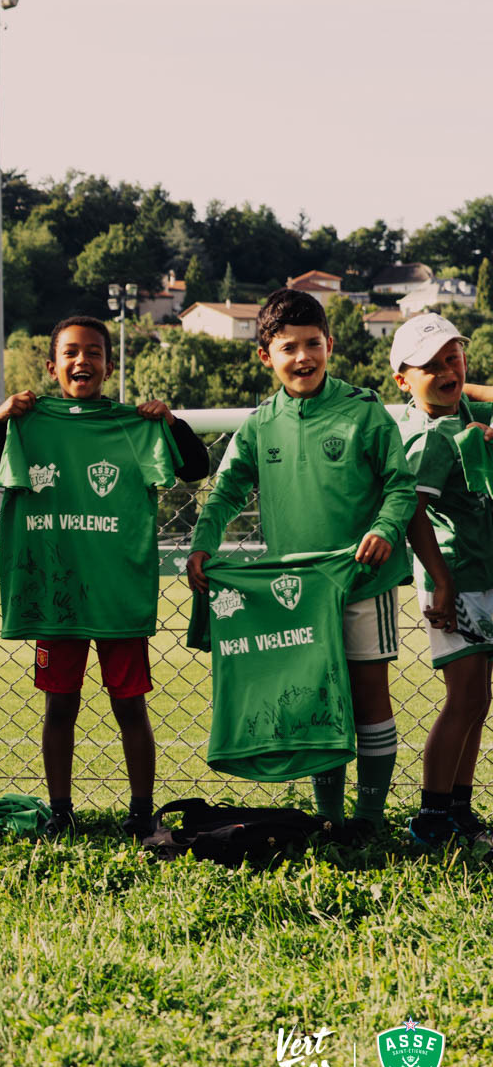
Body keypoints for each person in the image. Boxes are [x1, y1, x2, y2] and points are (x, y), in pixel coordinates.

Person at [188, 288, 451, 833]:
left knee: (367, 697)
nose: (303, 357)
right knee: (317, 704)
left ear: (329, 345)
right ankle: (330, 818)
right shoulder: (261, 424)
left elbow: (401, 489)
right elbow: (225, 491)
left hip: (361, 582)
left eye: (313, 344)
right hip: (297, 595)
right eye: (289, 348)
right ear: (266, 356)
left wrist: (383, 528)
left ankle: (369, 820)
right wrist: (202, 542)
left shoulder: (363, 411)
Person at [0, 316, 211, 838]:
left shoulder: (133, 424)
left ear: (109, 365)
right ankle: (61, 811)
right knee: (59, 705)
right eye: (71, 352)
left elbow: (196, 468)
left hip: (116, 591)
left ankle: (142, 812)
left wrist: (171, 422)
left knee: (130, 706)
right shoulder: (25, 423)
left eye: (94, 352)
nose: (82, 361)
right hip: (56, 592)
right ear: (52, 367)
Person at [389, 313, 493, 847]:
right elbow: (412, 513)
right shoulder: (429, 436)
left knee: (480, 698)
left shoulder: (469, 412)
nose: (448, 370)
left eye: (454, 357)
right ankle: (432, 816)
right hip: (457, 580)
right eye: (431, 365)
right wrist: (442, 580)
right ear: (403, 380)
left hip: (485, 577)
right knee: (465, 695)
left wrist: (458, 381)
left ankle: (459, 806)